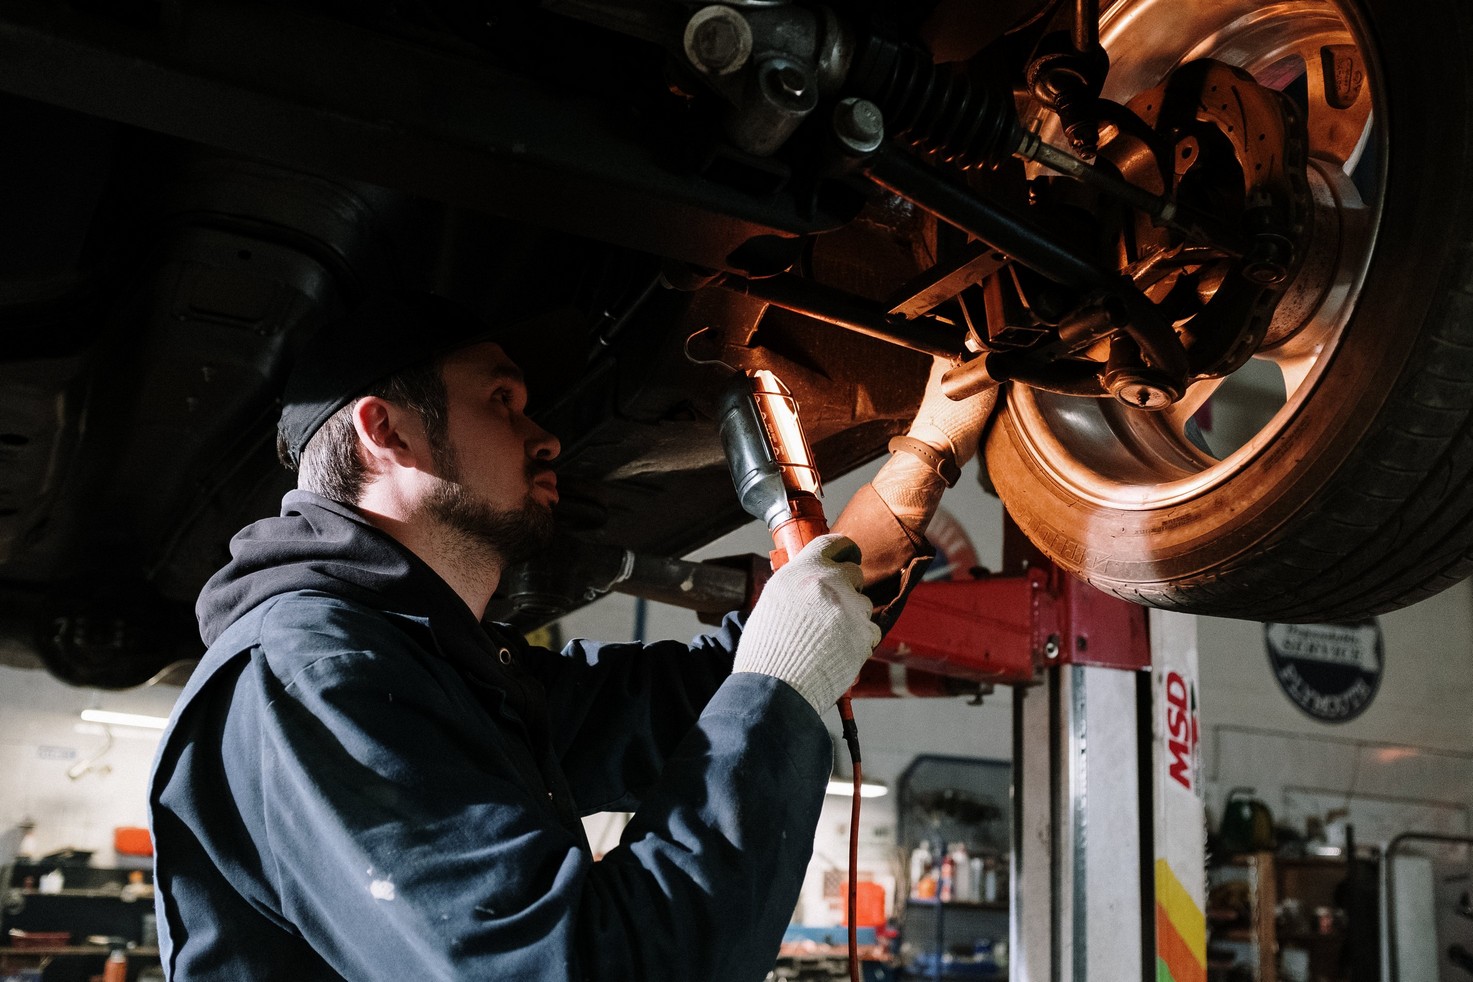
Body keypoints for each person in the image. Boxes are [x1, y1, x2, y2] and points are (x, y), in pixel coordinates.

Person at [148, 290, 994, 981]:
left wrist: (922, 460)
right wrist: (781, 687)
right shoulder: (309, 674)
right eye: (502, 400)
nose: (545, 434)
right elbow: (578, 968)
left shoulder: (436, 666)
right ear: (387, 432)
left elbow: (701, 697)